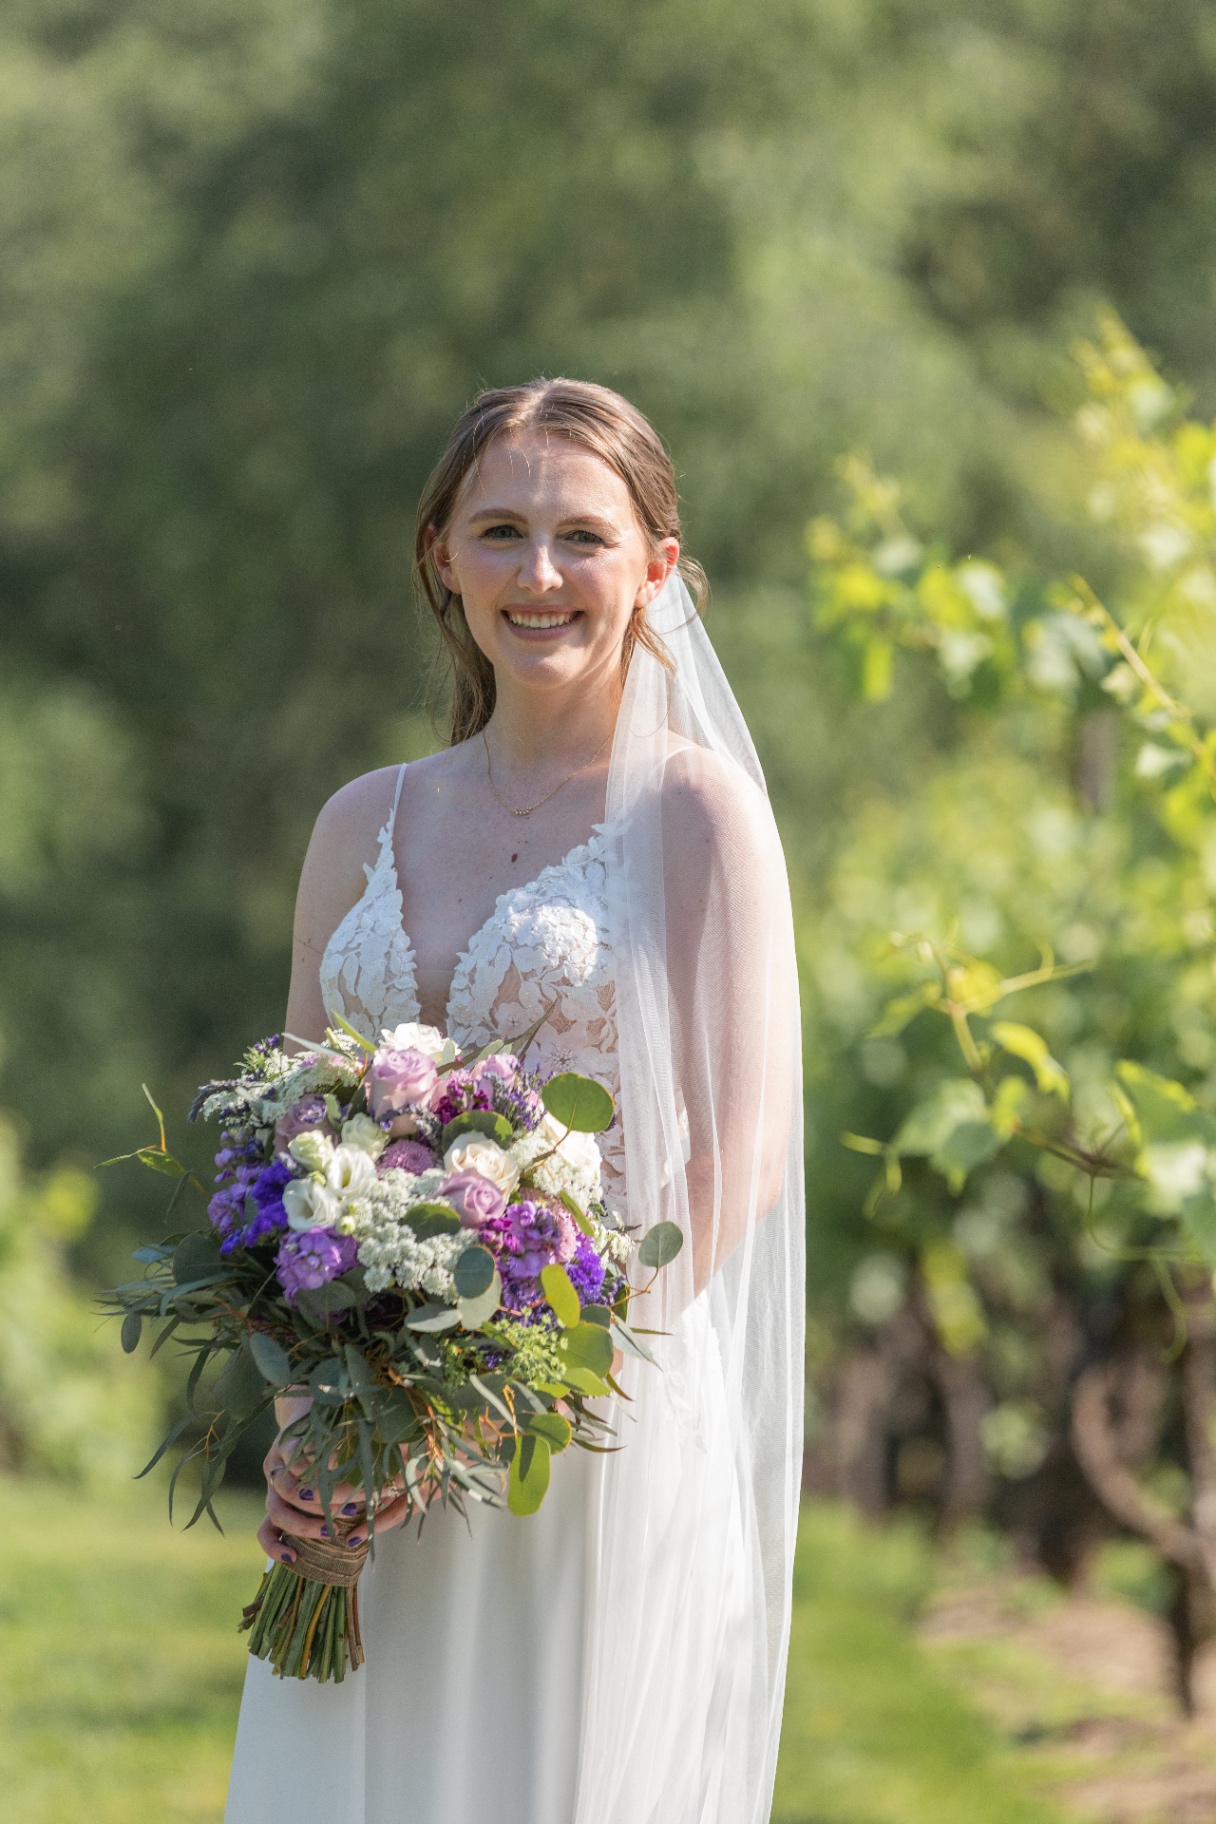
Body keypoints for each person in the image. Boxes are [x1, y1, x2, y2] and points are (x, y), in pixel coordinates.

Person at [224, 379, 804, 1824]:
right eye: (500, 531)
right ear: (441, 556)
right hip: (363, 1468)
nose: (539, 576)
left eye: (582, 538)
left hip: (579, 1454)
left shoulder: (697, 816)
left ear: (658, 566)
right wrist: (316, 1423)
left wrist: (476, 1417)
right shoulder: (364, 819)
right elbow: (286, 1147)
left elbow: (742, 1162)